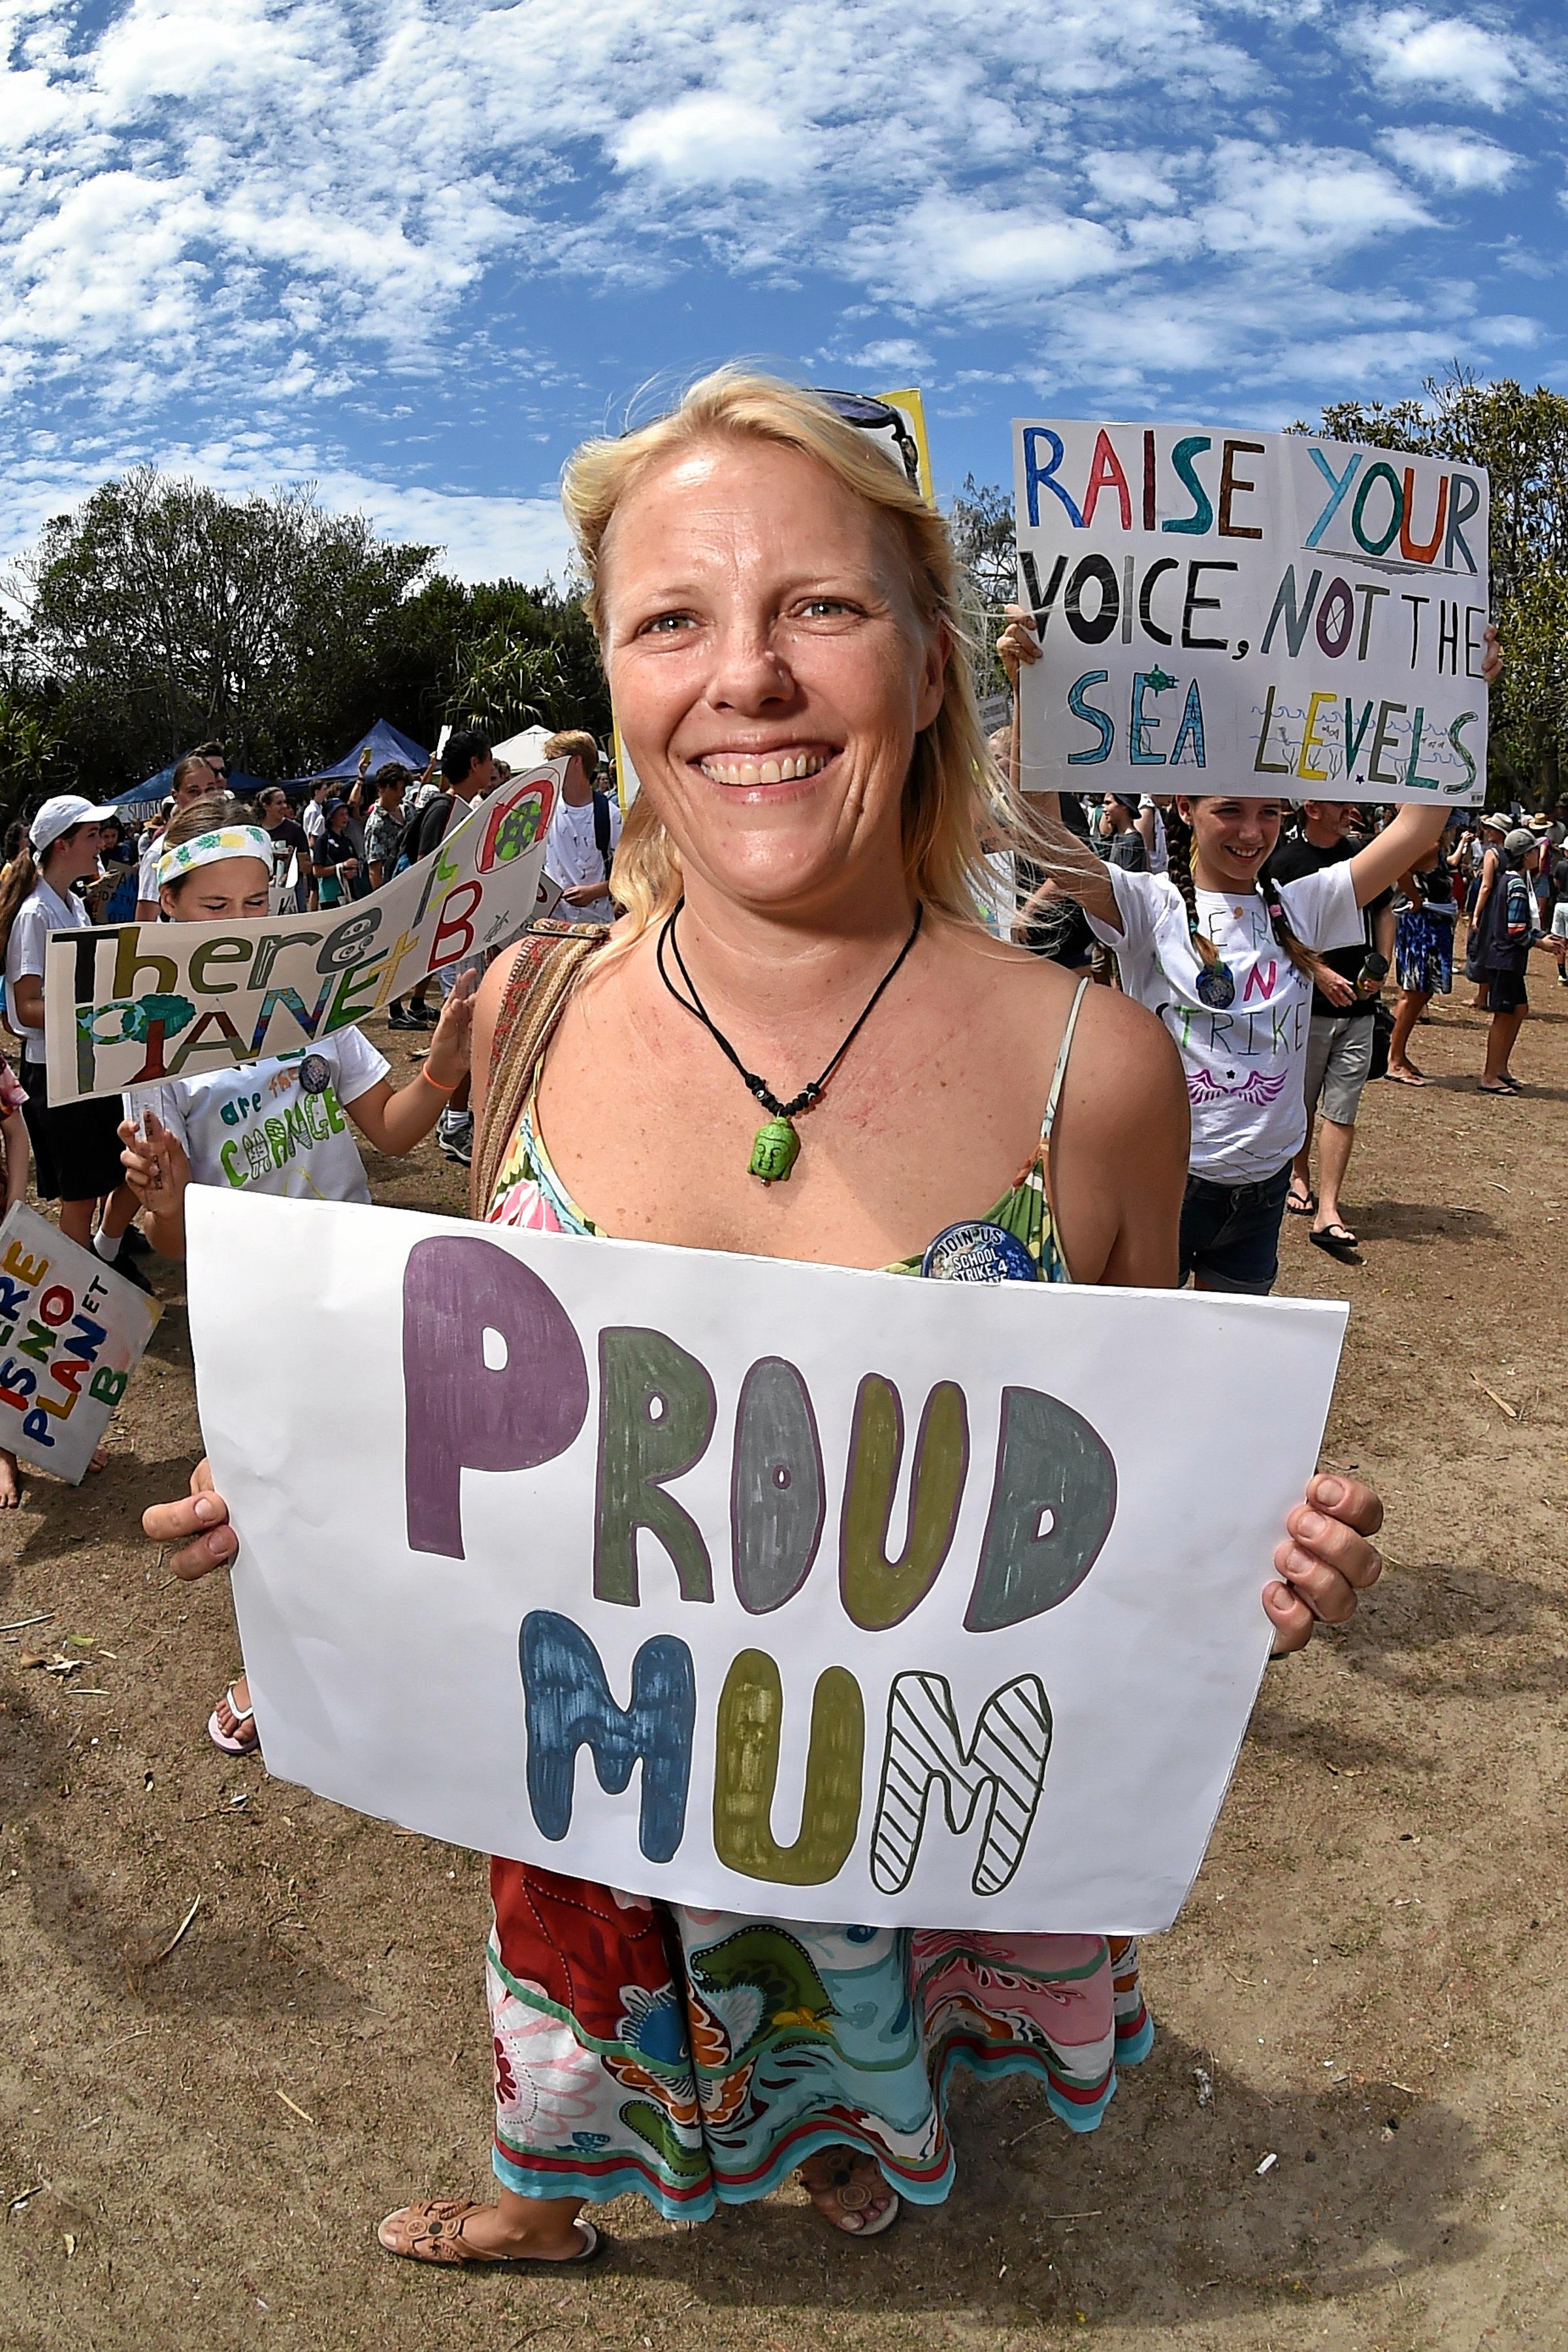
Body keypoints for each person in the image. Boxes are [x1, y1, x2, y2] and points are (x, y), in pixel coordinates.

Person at [145, 370, 1386, 2273]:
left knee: (847, 2000)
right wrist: (309, 1469)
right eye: (672, 617)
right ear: (619, 682)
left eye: (816, 603)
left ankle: (833, 2139)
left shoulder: (1098, 1078)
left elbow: (1125, 1493)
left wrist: (1252, 1557)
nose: (748, 677)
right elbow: (496, 1368)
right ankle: (549, 2199)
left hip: (871, 1782)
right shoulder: (533, 1005)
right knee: (563, 1983)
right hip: (597, 1757)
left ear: (924, 656)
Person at [118, 794, 478, 1754]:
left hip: (359, 1286)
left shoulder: (316, 1008)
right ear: (167, 916)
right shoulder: (154, 1052)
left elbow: (393, 1129)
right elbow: (182, 1243)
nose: (241, 926)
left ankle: (399, 1649)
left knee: (384, 1476)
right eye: (213, 909)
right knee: (269, 1495)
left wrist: (440, 1067)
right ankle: (276, 1669)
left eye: (255, 901)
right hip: (252, 1318)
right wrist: (166, 1196)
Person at [1005, 623, 1501, 1297]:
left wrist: (1460, 697)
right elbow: (1047, 836)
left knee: (1218, 1369)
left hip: (1262, 1196)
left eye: (1269, 813)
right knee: (1145, 1369)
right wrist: (1030, 692)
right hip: (1165, 1186)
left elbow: (1417, 827)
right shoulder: (1149, 907)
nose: (1251, 831)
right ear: (1185, 808)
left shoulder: (1306, 905)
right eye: (1229, 810)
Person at [0, 797, 148, 1300]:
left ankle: (103, 1260)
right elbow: (25, 1009)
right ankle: (80, 1290)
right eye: (91, 836)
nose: (101, 843)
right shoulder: (36, 913)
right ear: (63, 845)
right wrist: (96, 1012)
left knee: (118, 1169)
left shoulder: (73, 903)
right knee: (81, 1193)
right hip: (58, 1073)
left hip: (87, 1064)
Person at [1270, 802, 1392, 1263]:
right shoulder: (1283, 863)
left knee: (1342, 1108)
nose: (1351, 812)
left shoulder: (1362, 855)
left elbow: (1383, 911)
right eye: (1341, 805)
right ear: (1314, 809)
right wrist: (1318, 972)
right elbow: (1278, 931)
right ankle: (1298, 1175)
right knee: (1302, 1103)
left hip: (1360, 1009)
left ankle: (1328, 1208)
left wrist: (1381, 964)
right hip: (1309, 1008)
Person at [400, 730, 498, 1164]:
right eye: (489, 760)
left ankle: (458, 1118)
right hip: (451, 937)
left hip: (466, 930)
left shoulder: (464, 809)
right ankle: (455, 1122)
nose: (493, 768)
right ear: (475, 763)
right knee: (463, 1024)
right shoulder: (446, 809)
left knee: (469, 1021)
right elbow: (428, 870)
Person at [1386, 836, 1460, 1081]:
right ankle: (1393, 1058)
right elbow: (1400, 868)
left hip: (1434, 925)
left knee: (1423, 992)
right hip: (1422, 925)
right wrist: (1415, 898)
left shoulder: (1439, 845)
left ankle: (1397, 1053)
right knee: (1413, 992)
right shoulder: (1430, 844)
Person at [1474, 829, 1539, 1094]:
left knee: (1519, 1009)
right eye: (1534, 851)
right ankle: (1490, 1075)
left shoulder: (1513, 880)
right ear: (1525, 856)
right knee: (1504, 1015)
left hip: (1508, 959)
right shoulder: (1516, 885)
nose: (1539, 855)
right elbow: (1516, 929)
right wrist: (1541, 942)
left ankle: (1500, 1067)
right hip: (1504, 959)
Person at [542, 728, 621, 925]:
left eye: (555, 760)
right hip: (553, 927)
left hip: (597, 927)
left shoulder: (609, 814)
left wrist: (595, 891)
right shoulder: (545, 812)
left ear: (576, 761)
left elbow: (633, 875)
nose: (551, 767)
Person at [135, 753, 225, 919]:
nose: (204, 799)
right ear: (176, 796)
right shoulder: (159, 853)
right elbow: (145, 923)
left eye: (210, 789)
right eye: (193, 792)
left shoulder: (230, 842)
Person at [1463, 811, 1509, 1008]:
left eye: (1491, 828)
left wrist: (1476, 914)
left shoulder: (1492, 853)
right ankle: (1493, 995)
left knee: (1483, 947)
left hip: (1491, 907)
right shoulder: (1512, 853)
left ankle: (1481, 997)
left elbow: (1486, 886)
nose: (1487, 831)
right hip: (1506, 906)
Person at [257, 787, 311, 911]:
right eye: (279, 803)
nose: (284, 807)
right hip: (262, 889)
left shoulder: (294, 829)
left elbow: (307, 866)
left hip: (291, 890)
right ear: (266, 806)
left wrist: (292, 861)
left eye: (285, 802)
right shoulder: (257, 831)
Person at [363, 764, 408, 890]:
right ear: (381, 789)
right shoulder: (376, 825)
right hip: (396, 890)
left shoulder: (409, 810)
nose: (400, 794)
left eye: (402, 788)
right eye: (394, 789)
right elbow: (375, 872)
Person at [310, 799, 361, 907]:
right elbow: (317, 871)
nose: (346, 818)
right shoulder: (322, 841)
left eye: (347, 814)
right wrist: (341, 867)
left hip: (349, 893)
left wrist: (353, 871)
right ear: (331, 818)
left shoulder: (347, 840)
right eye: (341, 815)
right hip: (331, 896)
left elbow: (354, 864)